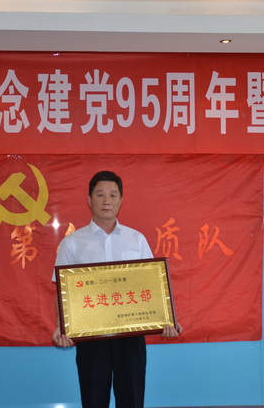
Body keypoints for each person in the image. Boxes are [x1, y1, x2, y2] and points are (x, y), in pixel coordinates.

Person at [52, 170, 182, 408]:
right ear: (89, 199)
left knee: (132, 400)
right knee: (93, 400)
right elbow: (62, 291)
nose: (106, 200)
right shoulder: (72, 243)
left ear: (121, 200)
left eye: (112, 195)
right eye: (100, 194)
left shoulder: (137, 239)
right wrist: (62, 327)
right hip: (90, 335)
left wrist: (167, 320)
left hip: (131, 335)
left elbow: (152, 284)